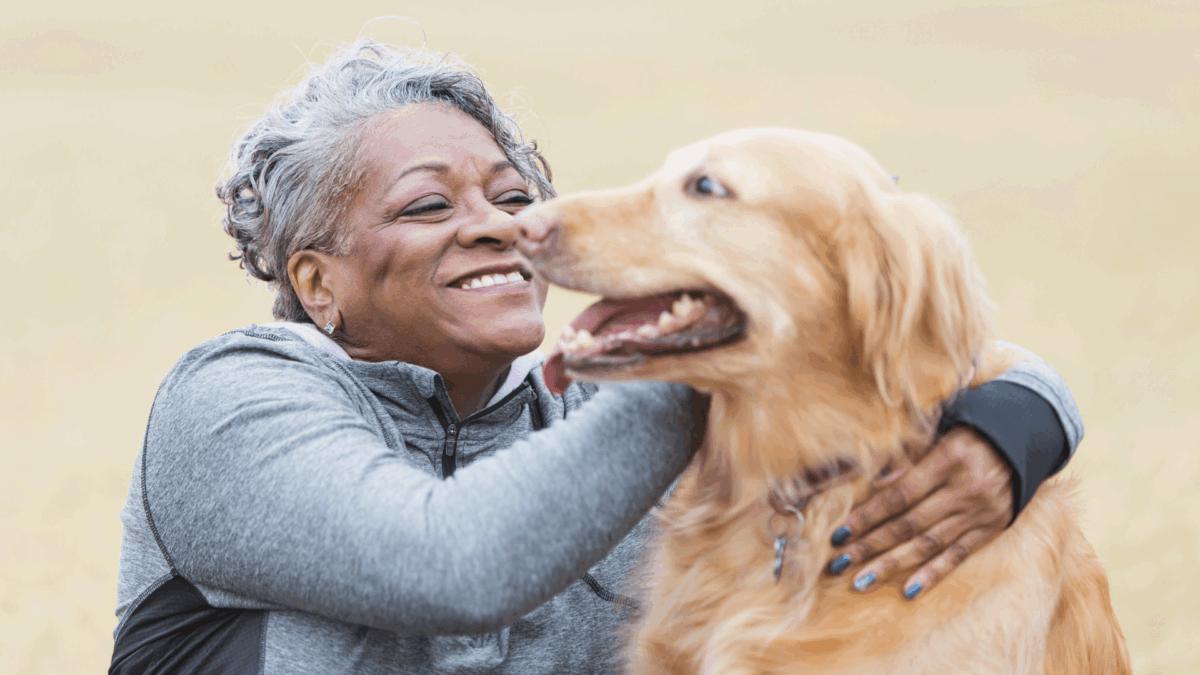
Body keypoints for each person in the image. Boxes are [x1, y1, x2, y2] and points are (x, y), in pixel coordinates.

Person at [109, 38, 1084, 674]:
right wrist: (699, 350)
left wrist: (1023, 414)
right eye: (428, 205)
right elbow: (456, 564)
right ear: (318, 283)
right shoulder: (234, 402)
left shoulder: (592, 399)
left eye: (510, 194)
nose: (501, 228)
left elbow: (885, 336)